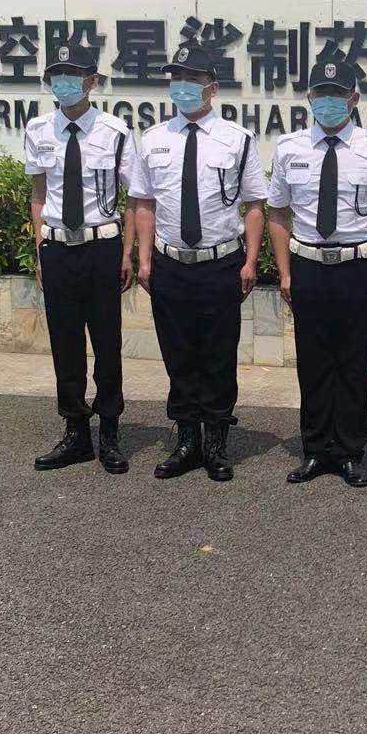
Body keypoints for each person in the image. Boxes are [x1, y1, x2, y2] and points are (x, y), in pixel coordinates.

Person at [266, 58, 367, 487]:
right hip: (308, 266)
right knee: (311, 363)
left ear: (354, 98)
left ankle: (348, 451)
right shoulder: (289, 147)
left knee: (351, 362)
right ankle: (315, 450)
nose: (328, 101)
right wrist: (285, 272)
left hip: (356, 268)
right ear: (309, 98)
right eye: (320, 93)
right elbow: (277, 213)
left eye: (337, 94)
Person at [128, 44, 265, 482]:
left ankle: (217, 441)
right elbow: (144, 203)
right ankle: (187, 439)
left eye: (192, 79)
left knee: (219, 354)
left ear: (213, 88)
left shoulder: (237, 139)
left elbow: (255, 205)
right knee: (178, 353)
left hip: (220, 263)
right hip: (169, 263)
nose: (183, 87)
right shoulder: (154, 139)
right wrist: (144, 259)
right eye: (177, 79)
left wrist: (250, 261)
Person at [24, 44, 136, 474]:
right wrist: (40, 248)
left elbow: (133, 198)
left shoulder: (115, 131)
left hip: (101, 247)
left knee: (107, 342)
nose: (63, 83)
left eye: (72, 74)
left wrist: (127, 251)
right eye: (57, 75)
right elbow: (39, 194)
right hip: (56, 247)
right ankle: (75, 433)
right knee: (65, 342)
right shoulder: (38, 129)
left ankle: (109, 432)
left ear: (92, 81)